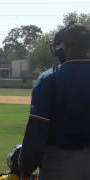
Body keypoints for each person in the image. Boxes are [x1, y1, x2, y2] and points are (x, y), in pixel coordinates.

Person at [19, 23, 90, 180]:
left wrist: (26, 168)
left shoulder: (49, 79)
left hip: (60, 163)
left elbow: (37, 131)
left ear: (64, 46)